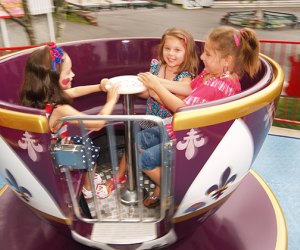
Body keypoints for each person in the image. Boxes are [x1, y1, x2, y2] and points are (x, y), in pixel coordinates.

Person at [136, 26, 261, 208]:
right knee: (139, 139)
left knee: (144, 160)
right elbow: (189, 88)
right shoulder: (212, 73)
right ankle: (162, 182)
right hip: (180, 129)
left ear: (227, 60)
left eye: (208, 55)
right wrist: (154, 80)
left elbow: (184, 111)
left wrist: (157, 86)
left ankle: (172, 189)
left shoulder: (219, 87)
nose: (202, 58)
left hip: (194, 140)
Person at [19, 42, 120, 200]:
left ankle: (89, 177)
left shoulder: (44, 97)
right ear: (51, 79)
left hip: (53, 147)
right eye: (68, 72)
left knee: (87, 143)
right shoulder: (59, 108)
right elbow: (97, 123)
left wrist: (99, 87)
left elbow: (75, 91)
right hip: (56, 157)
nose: (72, 75)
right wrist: (111, 101)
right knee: (90, 153)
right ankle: (88, 189)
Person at [101, 27, 199, 186]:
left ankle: (161, 185)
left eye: (177, 50)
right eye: (167, 48)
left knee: (156, 156)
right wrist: (131, 89)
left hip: (168, 126)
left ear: (187, 53)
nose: (171, 54)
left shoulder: (185, 77)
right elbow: (147, 93)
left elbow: (175, 106)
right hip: (149, 118)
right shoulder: (156, 66)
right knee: (132, 140)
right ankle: (120, 175)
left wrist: (155, 94)